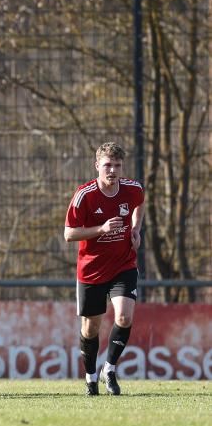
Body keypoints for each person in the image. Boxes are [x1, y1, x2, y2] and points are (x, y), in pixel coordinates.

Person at [64, 142, 144, 396]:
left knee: (124, 317)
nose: (112, 170)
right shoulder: (84, 195)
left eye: (117, 165)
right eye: (107, 165)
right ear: (97, 165)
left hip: (123, 264)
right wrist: (101, 229)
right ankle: (90, 377)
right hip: (92, 270)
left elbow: (140, 204)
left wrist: (136, 228)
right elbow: (69, 234)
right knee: (91, 329)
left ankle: (109, 369)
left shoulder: (132, 189)